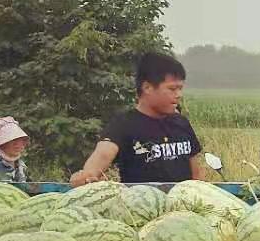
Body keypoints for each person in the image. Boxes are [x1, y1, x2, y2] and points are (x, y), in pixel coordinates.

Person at [70, 52, 205, 186]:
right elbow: (103, 153)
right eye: (172, 89)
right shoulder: (124, 124)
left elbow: (196, 175)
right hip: (141, 200)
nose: (179, 95)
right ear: (147, 87)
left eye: (180, 88)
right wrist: (87, 175)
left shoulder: (181, 123)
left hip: (182, 200)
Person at [0, 117, 30, 183]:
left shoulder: (21, 165)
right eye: (14, 141)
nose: (19, 145)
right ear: (1, 143)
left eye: (22, 141)